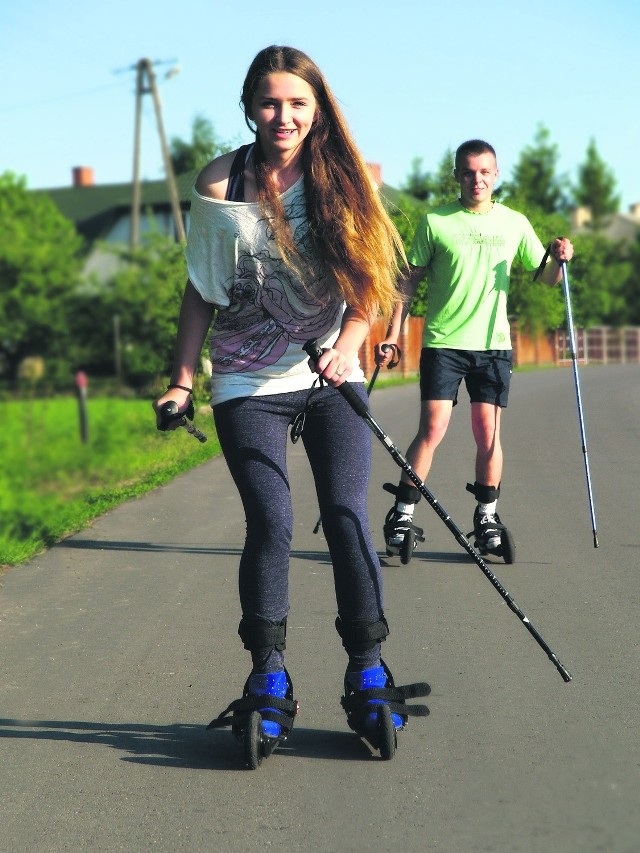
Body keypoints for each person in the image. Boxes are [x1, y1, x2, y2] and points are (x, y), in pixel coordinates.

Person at [153, 45, 428, 761]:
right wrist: (184, 379)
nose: (284, 116)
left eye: (298, 103)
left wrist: (352, 343)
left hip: (330, 374)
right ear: (249, 105)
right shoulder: (221, 180)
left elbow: (374, 282)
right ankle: (268, 674)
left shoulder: (347, 177)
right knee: (271, 521)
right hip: (247, 380)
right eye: (271, 102)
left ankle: (368, 666)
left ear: (317, 109)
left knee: (344, 513)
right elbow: (201, 287)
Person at [376, 139, 574, 561]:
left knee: (489, 434)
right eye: (468, 171)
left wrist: (558, 258)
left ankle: (486, 518)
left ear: (496, 175)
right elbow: (406, 282)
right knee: (433, 429)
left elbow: (545, 279)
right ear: (456, 176)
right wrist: (393, 333)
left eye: (484, 171)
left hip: (494, 345)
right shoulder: (435, 221)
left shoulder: (514, 223)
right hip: (444, 342)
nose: (477, 179)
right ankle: (403, 514)